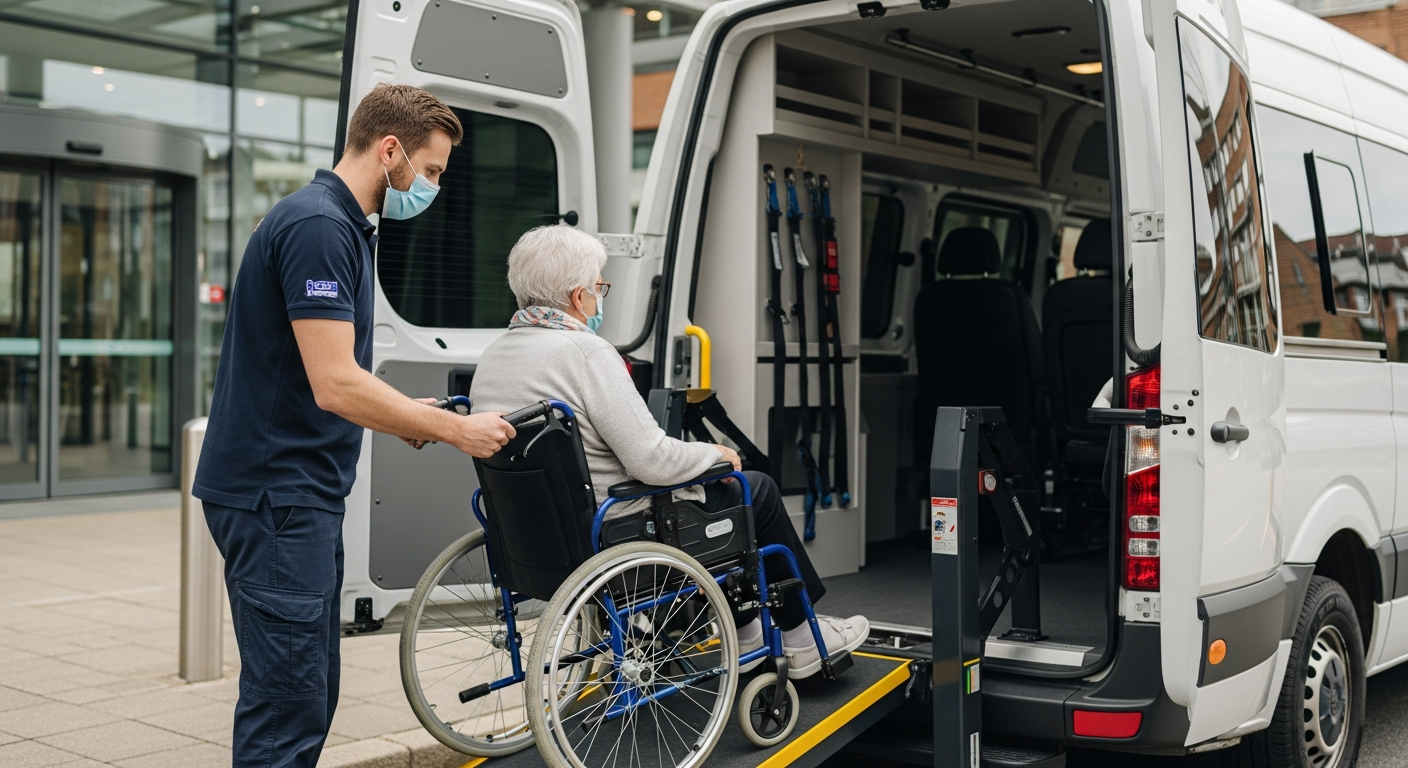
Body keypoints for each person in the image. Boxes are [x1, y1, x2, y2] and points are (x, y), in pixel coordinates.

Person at [193, 84, 516, 768]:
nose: (431, 187)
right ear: (389, 149)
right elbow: (334, 381)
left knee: (306, 692)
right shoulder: (320, 227)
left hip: (290, 495)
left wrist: (411, 416)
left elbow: (333, 374)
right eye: (429, 171)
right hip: (277, 496)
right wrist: (455, 431)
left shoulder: (333, 224)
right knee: (287, 706)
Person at [471, 224, 869, 678]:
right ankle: (802, 638)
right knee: (752, 489)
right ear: (578, 296)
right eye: (599, 286)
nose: (600, 298)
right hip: (615, 531)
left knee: (719, 499)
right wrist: (714, 455)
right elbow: (651, 461)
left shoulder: (494, 357)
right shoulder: (585, 352)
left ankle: (747, 632)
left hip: (534, 536)